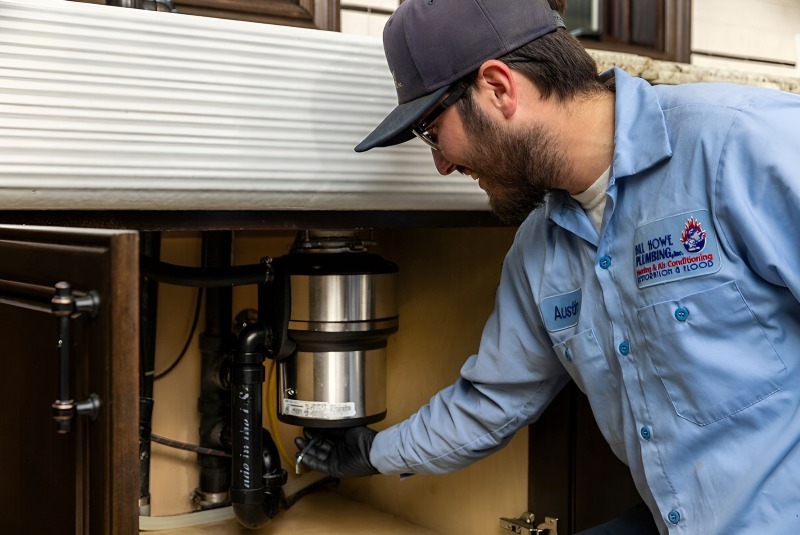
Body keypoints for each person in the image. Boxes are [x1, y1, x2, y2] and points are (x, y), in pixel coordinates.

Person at [295, 0, 800, 532]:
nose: (441, 164)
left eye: (430, 129)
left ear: (498, 87)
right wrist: (371, 452)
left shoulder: (745, 145)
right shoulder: (539, 250)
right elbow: (490, 403)